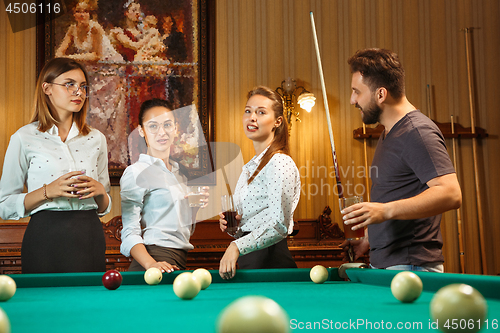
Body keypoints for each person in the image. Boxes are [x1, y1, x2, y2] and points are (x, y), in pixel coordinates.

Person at [340, 48, 462, 272]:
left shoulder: (417, 132)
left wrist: (384, 211)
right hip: (391, 263)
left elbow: (450, 193)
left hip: (411, 265)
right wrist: (371, 237)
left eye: (357, 91)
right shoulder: (389, 131)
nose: (352, 100)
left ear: (380, 94)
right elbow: (398, 193)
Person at [0, 57, 112, 273]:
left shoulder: (97, 138)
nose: (78, 92)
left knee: (90, 305)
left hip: (90, 236)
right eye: (69, 84)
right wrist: (47, 191)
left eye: (83, 87)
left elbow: (103, 207)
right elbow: (4, 205)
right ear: (47, 88)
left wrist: (100, 192)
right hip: (44, 237)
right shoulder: (24, 137)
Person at [218, 86, 301, 280]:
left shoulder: (279, 162)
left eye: (261, 112)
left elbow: (279, 225)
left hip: (270, 260)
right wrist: (234, 228)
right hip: (252, 259)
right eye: (248, 111)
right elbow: (254, 222)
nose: (252, 117)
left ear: (277, 122)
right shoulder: (252, 167)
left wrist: (236, 245)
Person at [120, 99, 208, 273]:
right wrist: (150, 264)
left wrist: (194, 209)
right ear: (141, 131)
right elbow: (129, 231)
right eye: (153, 126)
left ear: (175, 128)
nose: (162, 132)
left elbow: (181, 232)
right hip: (155, 259)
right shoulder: (136, 172)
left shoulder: (181, 173)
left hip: (178, 258)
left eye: (167, 125)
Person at [55, 0, 123, 62]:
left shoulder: (95, 28)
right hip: (89, 64)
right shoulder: (72, 29)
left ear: (89, 14)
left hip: (108, 62)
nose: (82, 15)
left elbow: (96, 56)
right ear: (73, 14)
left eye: (85, 11)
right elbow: (59, 52)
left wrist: (69, 57)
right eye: (78, 11)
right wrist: (59, 55)